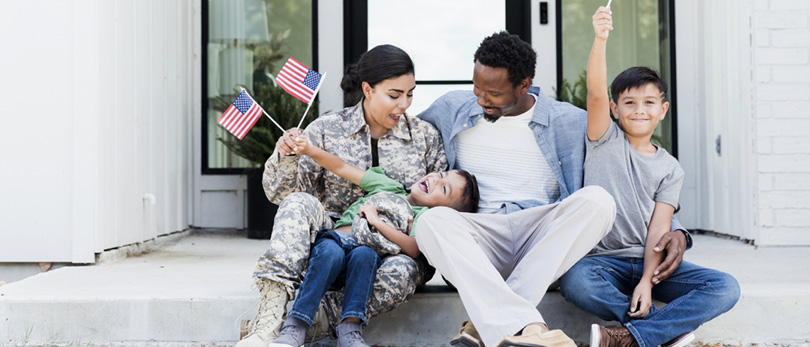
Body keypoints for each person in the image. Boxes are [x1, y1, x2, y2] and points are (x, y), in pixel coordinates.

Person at [415, 31, 692, 347]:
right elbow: (405, 147)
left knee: (599, 200)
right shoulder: (452, 108)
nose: (480, 99)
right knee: (430, 222)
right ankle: (528, 327)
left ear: (524, 85)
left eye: (493, 93)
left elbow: (628, 178)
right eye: (477, 88)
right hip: (478, 242)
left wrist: (676, 229)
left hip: (543, 244)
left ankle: (483, 327)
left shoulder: (570, 122)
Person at [237, 44, 447, 347]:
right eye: (394, 94)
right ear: (367, 89)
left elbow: (440, 207)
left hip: (391, 252)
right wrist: (284, 155)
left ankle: (311, 322)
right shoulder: (325, 129)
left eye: (410, 93)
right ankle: (269, 316)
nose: (404, 104)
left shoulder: (425, 137)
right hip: (329, 245)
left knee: (404, 272)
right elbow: (282, 195)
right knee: (298, 203)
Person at [557, 7, 740, 347]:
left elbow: (659, 229)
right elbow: (596, 92)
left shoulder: (670, 167)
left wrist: (646, 281)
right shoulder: (603, 139)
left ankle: (627, 337)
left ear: (663, 110)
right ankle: (661, 332)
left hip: (651, 264)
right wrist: (600, 39)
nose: (639, 109)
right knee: (575, 283)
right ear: (615, 109)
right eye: (629, 102)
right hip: (601, 263)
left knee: (725, 287)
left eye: (649, 102)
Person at [267, 133, 479, 347]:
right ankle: (295, 326)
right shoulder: (389, 186)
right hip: (333, 244)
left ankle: (350, 332)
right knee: (331, 252)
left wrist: (375, 221)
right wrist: (309, 150)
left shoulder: (422, 216)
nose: (436, 180)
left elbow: (413, 249)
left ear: (444, 210)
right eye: (441, 174)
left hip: (362, 261)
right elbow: (342, 167)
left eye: (444, 188)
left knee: (365, 255)